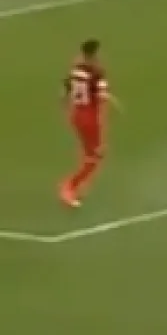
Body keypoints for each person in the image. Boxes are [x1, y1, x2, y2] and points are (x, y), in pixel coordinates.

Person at [60, 39, 112, 208]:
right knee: (95, 155)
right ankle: (69, 187)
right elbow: (101, 97)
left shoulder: (76, 68)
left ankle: (78, 186)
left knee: (90, 153)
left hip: (76, 114)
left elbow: (66, 90)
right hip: (90, 118)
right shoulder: (96, 72)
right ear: (95, 53)